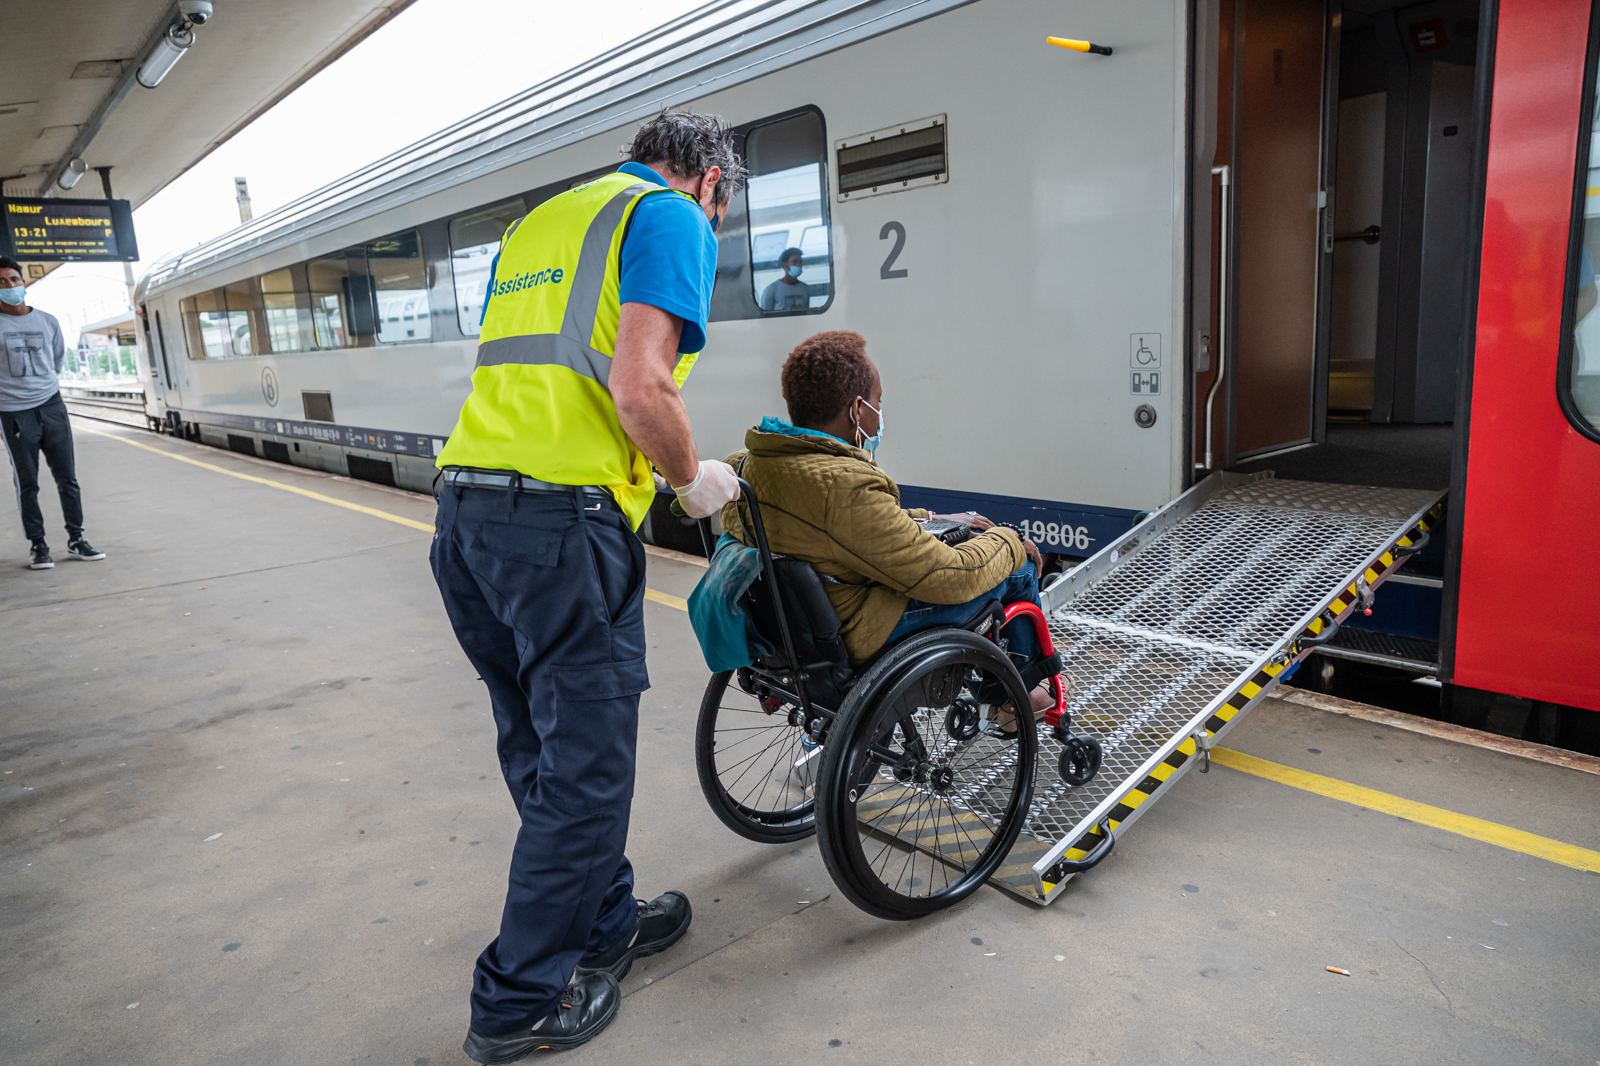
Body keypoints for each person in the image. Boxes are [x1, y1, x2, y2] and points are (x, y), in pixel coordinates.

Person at [429, 111, 745, 1061]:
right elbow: (641, 387)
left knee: (537, 738)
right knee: (591, 764)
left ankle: (604, 921)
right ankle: (518, 998)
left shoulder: (543, 224)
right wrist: (694, 483)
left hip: (466, 517)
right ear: (712, 184)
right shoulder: (670, 215)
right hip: (561, 529)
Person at [716, 330, 1060, 717]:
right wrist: (1009, 542)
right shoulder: (844, 485)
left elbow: (835, 533)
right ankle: (1018, 696)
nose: (880, 412)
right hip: (857, 632)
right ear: (858, 410)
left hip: (790, 633)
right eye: (878, 401)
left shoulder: (746, 466)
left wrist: (933, 520)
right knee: (1018, 569)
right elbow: (948, 576)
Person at [0, 256, 105, 570]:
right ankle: (38, 545)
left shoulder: (47, 321)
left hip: (51, 405)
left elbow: (56, 360)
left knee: (67, 479)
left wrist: (41, 389)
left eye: (13, 280)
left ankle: (76, 539)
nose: (9, 286)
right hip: (14, 412)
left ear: (24, 283)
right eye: (2, 282)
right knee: (27, 482)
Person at [758, 247, 810, 312]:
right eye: (795, 262)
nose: (799, 265)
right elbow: (765, 316)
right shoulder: (771, 290)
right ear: (785, 265)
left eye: (800, 262)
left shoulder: (805, 288)